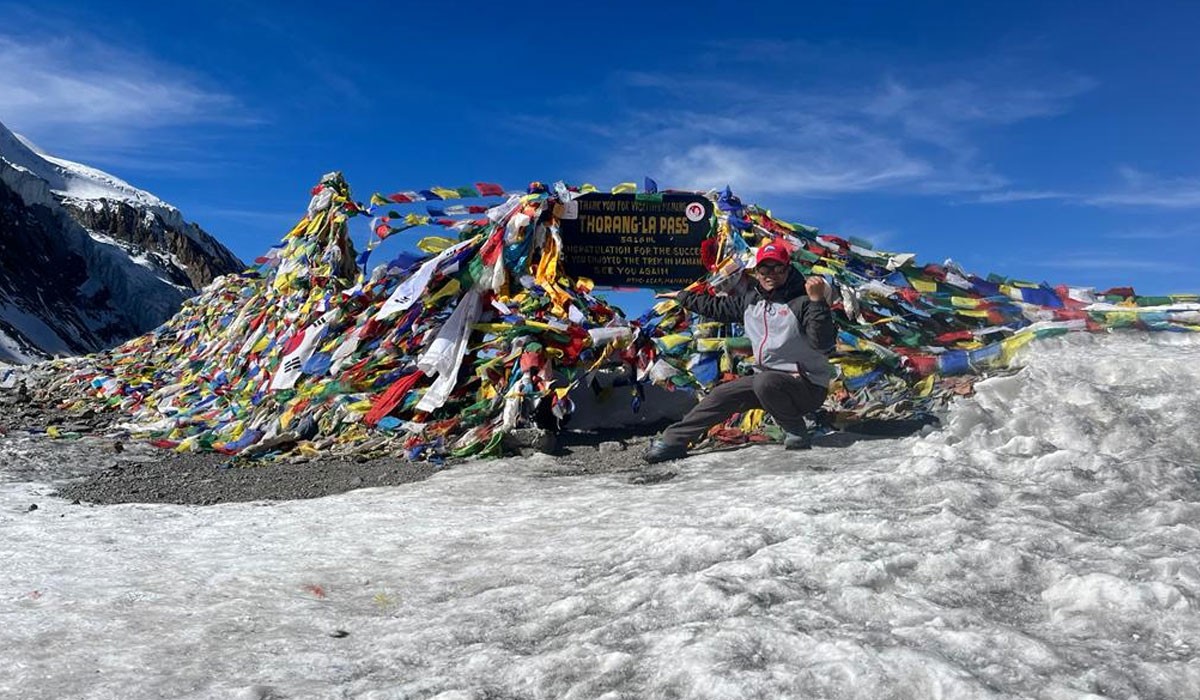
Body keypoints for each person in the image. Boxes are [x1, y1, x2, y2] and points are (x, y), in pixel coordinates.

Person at [644, 242, 836, 463]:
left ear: (787, 268)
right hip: (767, 382)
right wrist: (683, 296)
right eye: (764, 269)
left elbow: (823, 343)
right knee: (722, 394)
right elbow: (716, 307)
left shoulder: (803, 301)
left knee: (764, 381)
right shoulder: (751, 301)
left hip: (807, 386)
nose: (770, 274)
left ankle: (795, 430)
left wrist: (817, 301)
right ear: (756, 271)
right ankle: (672, 441)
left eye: (777, 268)